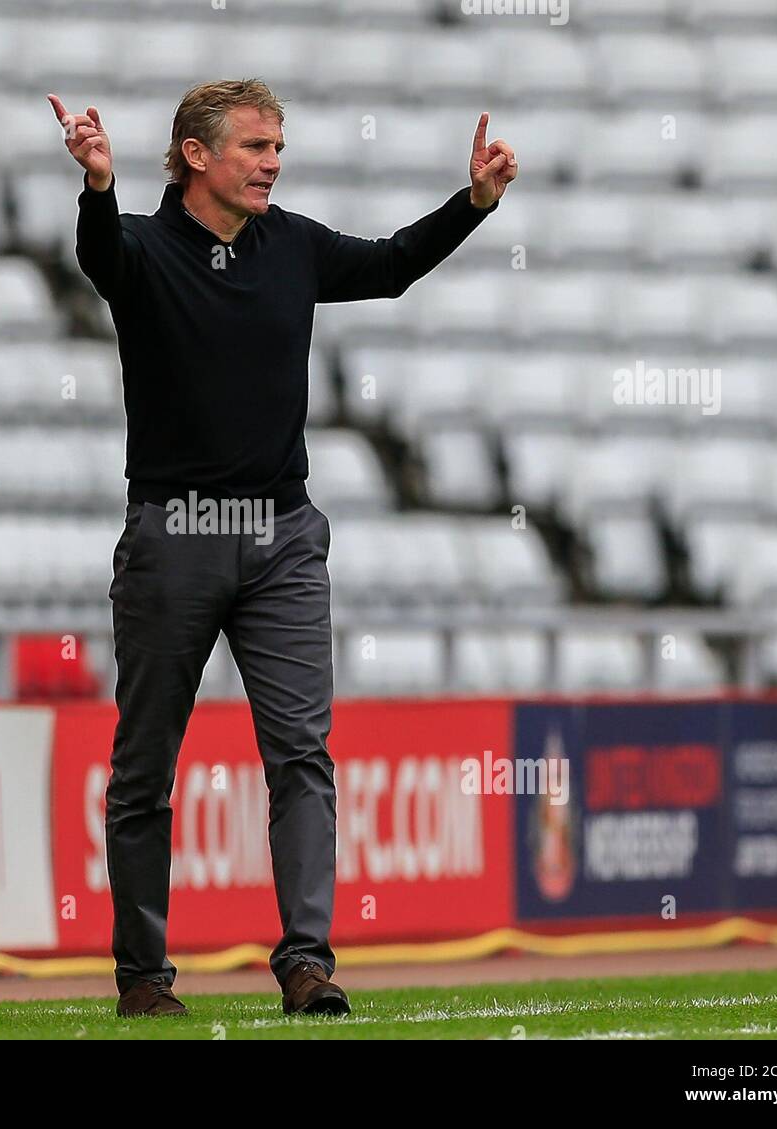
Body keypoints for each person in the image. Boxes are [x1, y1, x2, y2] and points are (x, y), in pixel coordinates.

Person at [47, 79, 516, 1018]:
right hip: (176, 533)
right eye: (257, 147)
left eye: (277, 149)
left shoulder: (292, 244)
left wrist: (471, 207)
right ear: (196, 156)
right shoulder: (140, 244)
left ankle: (307, 961)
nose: (272, 163)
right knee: (146, 765)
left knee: (302, 753)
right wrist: (96, 185)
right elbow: (98, 253)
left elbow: (388, 265)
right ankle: (144, 977)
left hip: (283, 536)